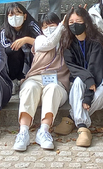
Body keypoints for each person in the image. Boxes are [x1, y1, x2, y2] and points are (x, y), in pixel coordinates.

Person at [53, 7, 103, 147]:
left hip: (99, 85)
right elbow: (73, 68)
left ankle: (71, 117)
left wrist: (87, 96)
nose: (75, 24)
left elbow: (95, 68)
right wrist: (87, 80)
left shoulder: (96, 41)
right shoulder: (67, 43)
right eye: (71, 22)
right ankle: (83, 128)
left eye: (78, 21)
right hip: (78, 86)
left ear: (86, 22)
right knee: (79, 80)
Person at [13, 12, 70, 152]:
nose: (49, 28)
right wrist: (61, 26)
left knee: (53, 89)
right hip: (35, 78)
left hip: (58, 82)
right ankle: (23, 132)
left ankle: (44, 131)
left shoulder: (68, 41)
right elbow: (49, 42)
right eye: (45, 26)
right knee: (30, 88)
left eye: (52, 25)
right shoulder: (39, 40)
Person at [0, 2, 42, 93]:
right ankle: (14, 80)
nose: (14, 17)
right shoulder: (4, 31)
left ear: (25, 16)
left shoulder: (32, 25)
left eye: (17, 14)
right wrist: (17, 44)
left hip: (32, 59)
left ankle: (32, 76)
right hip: (15, 63)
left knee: (38, 49)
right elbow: (4, 48)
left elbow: (44, 42)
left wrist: (26, 40)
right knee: (14, 50)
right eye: (11, 15)